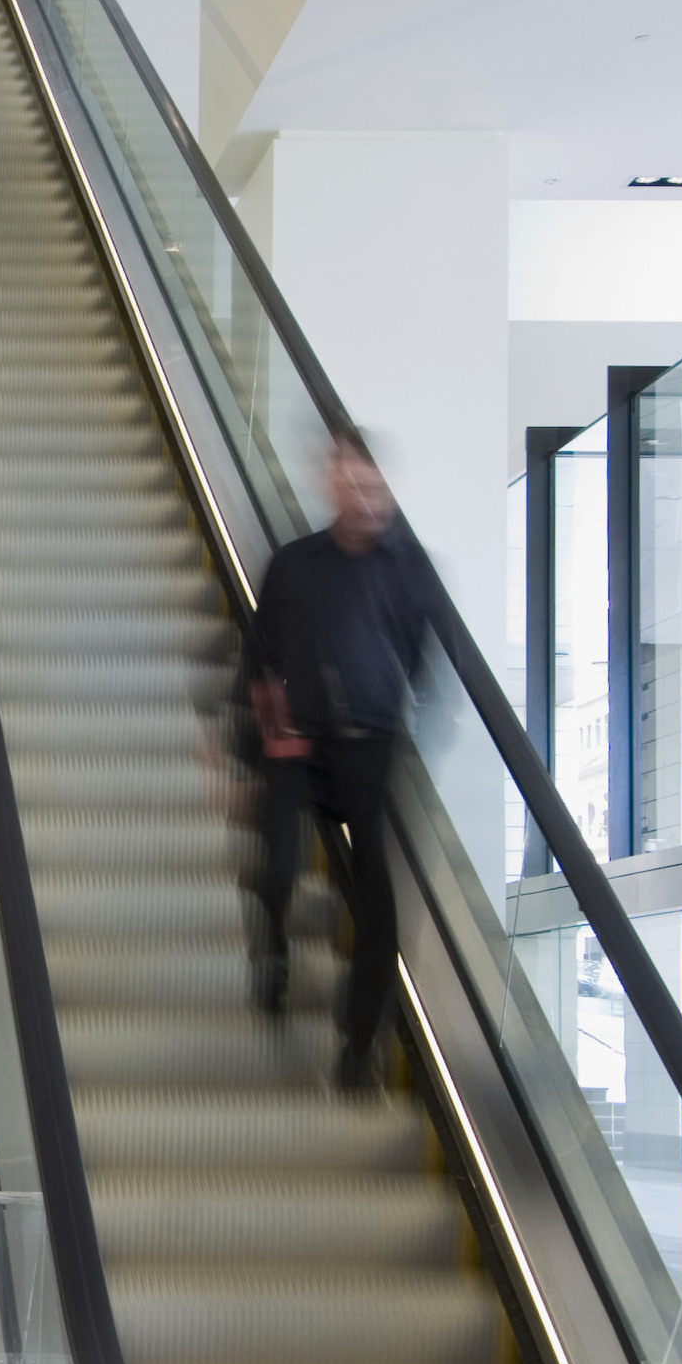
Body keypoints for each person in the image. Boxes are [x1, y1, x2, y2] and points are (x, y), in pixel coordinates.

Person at [245, 428, 445, 1093]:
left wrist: (398, 711)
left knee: (377, 901)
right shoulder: (297, 564)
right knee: (276, 864)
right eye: (349, 484)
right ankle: (273, 947)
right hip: (296, 743)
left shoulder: (409, 569)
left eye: (372, 486)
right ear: (331, 487)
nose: (362, 497)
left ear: (384, 490)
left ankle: (358, 1047)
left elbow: (425, 658)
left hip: (369, 746)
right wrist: (253, 735)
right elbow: (259, 657)